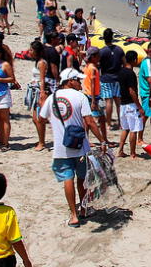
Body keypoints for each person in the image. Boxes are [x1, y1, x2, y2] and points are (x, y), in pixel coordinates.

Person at [40, 68, 108, 227]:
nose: (80, 83)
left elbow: (41, 119)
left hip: (61, 147)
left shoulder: (52, 98)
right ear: (70, 81)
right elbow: (90, 122)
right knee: (82, 179)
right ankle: (83, 209)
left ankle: (73, 215)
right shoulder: (80, 97)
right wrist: (102, 141)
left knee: (67, 179)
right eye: (78, 80)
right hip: (80, 147)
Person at [117, 51, 144, 158]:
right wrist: (139, 106)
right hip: (130, 105)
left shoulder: (121, 71)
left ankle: (120, 150)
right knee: (134, 129)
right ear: (134, 60)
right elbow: (132, 91)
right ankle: (133, 153)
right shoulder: (130, 73)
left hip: (123, 104)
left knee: (126, 128)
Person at [99, 28, 125, 131]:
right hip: (117, 78)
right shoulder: (119, 49)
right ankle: (121, 123)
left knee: (108, 102)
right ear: (112, 37)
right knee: (118, 102)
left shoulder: (102, 51)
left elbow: (98, 65)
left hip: (106, 78)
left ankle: (108, 124)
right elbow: (124, 62)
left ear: (104, 38)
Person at [28, 41, 49, 151]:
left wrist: (42, 93)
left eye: (31, 50)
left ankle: (42, 142)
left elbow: (42, 79)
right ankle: (41, 140)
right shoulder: (37, 62)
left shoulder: (41, 63)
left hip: (40, 92)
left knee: (39, 119)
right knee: (35, 119)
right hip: (36, 91)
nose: (29, 52)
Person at [83, 47, 107, 142]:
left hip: (89, 94)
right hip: (93, 96)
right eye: (98, 56)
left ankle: (88, 139)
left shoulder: (88, 66)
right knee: (93, 120)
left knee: (96, 119)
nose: (99, 57)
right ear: (93, 57)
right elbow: (92, 84)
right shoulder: (93, 68)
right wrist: (93, 101)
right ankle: (102, 139)